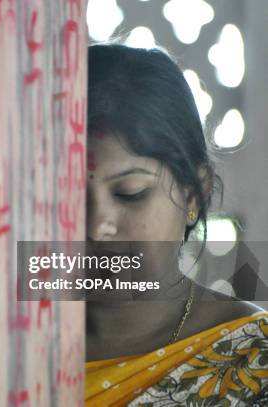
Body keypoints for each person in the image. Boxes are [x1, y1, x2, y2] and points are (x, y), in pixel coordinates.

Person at [84, 43, 268, 406]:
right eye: (66, 197)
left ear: (194, 194)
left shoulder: (252, 360)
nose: (96, 227)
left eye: (131, 193)